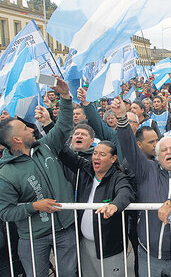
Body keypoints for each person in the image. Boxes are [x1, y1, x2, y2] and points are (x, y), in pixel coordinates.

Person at [112, 96, 171, 277]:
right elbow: (129, 147)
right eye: (163, 150)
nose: (169, 152)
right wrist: (122, 119)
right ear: (158, 155)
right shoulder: (147, 169)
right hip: (148, 255)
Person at [0, 77, 78, 277]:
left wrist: (65, 96)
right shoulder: (6, 173)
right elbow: (6, 212)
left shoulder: (45, 146)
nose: (32, 129)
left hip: (65, 229)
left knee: (69, 273)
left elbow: (64, 126)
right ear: (17, 139)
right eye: (26, 129)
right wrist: (34, 207)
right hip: (33, 237)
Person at [59, 141, 134, 277]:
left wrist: (114, 205)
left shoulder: (118, 177)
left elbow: (125, 192)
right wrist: (47, 125)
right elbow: (64, 152)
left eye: (102, 154)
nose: (96, 157)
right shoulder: (86, 169)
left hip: (109, 247)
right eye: (95, 153)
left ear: (113, 159)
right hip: (85, 245)